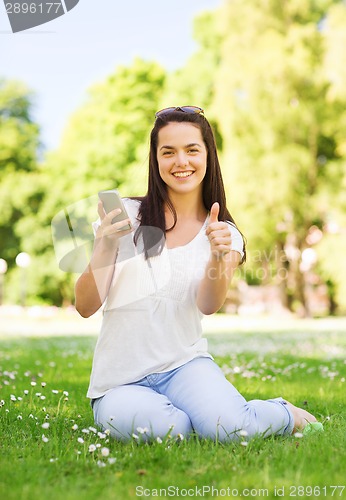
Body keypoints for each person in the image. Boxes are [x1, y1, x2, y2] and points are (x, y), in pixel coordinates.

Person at [75, 106, 317, 442]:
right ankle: (178, 413)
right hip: (119, 380)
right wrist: (105, 245)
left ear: (208, 156)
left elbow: (208, 305)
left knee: (231, 430)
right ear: (155, 160)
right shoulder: (128, 216)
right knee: (167, 430)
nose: (181, 162)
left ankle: (281, 412)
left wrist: (217, 258)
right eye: (168, 152)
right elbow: (85, 305)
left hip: (186, 366)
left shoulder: (223, 233)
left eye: (192, 150)